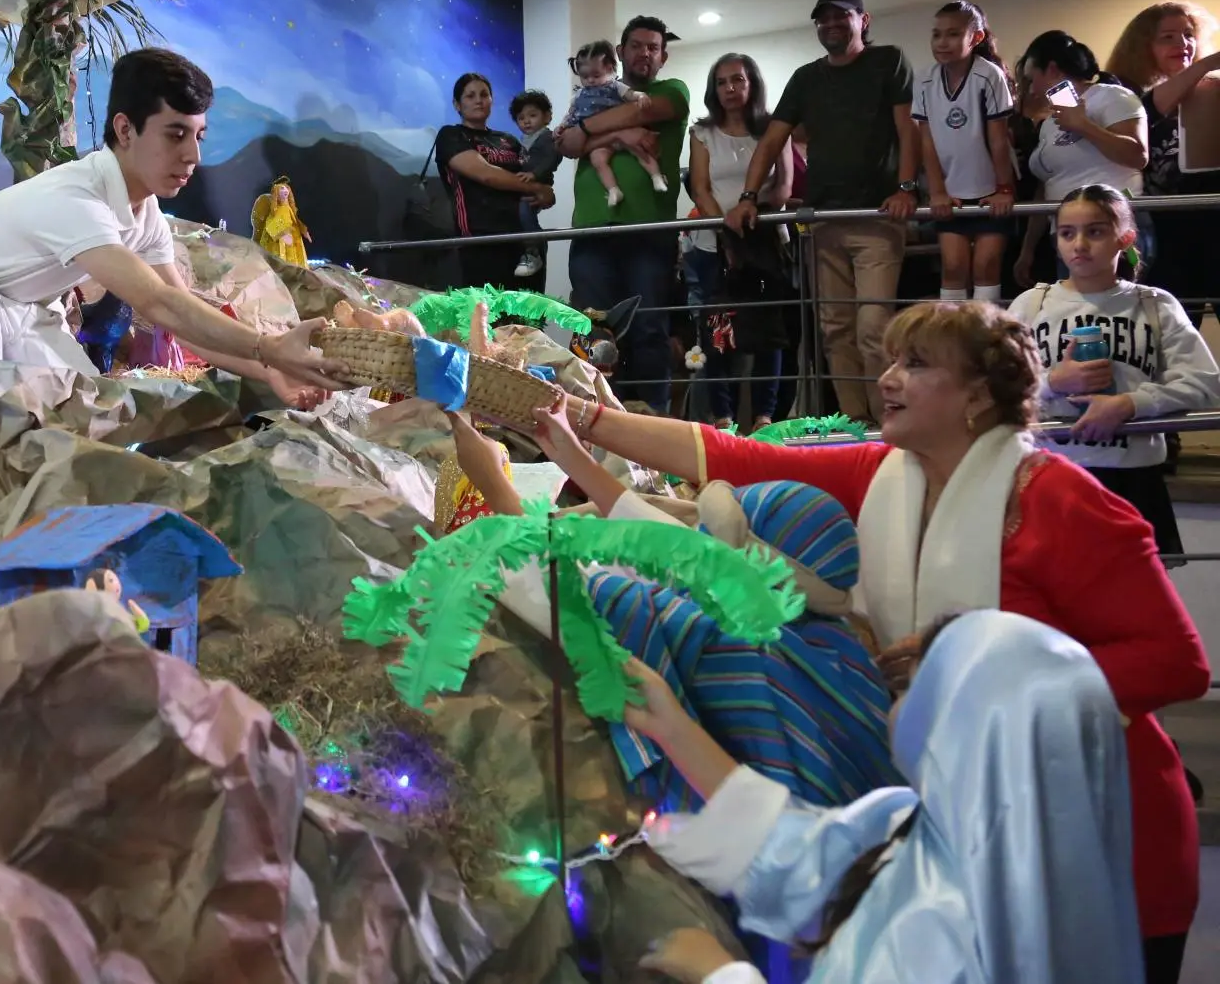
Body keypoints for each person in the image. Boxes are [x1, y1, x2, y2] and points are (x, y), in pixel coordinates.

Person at [536, 300, 1206, 972]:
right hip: (959, 827)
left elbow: (1176, 662)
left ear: (977, 393)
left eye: (915, 365)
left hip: (1104, 825)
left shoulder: (1063, 500)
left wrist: (968, 668)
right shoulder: (885, 475)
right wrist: (582, 420)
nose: (887, 378)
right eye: (889, 360)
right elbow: (725, 454)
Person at [630, 611, 1144, 984]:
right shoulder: (917, 824)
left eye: (909, 690)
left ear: (958, 730)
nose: (892, 704)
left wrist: (721, 973)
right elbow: (795, 848)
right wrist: (673, 729)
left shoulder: (942, 927)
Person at [453, 409, 894, 812]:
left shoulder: (720, 641)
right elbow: (666, 542)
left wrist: (491, 482)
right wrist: (570, 452)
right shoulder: (838, 641)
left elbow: (566, 589)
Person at [0, 48, 348, 403]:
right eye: (175, 134)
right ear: (126, 129)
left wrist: (273, 369)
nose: (193, 155)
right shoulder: (79, 195)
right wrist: (270, 347)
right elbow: (159, 302)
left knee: (82, 404)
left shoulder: (144, 212)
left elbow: (176, 314)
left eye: (199, 136)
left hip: (20, 313)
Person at [727, 0, 918, 424]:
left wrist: (907, 187)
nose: (830, 25)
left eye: (841, 17)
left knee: (874, 328)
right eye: (822, 19)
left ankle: (890, 422)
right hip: (823, 220)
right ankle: (856, 425)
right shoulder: (806, 76)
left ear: (863, 21)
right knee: (835, 329)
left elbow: (908, 129)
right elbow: (773, 138)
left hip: (877, 217)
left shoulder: (888, 60)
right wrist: (747, 196)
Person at [1009, 186, 1220, 563]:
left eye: (1096, 231)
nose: (1080, 244)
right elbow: (993, 387)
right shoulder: (1031, 304)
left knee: (1136, 608)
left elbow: (1204, 382)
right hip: (1050, 476)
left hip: (1133, 477)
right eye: (1067, 232)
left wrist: (1129, 404)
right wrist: (1053, 383)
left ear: (1125, 237)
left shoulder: (1154, 304)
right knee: (1054, 605)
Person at [552, 16, 691, 403]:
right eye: (637, 45)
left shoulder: (673, 90)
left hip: (649, 233)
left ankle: (652, 429)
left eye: (653, 47)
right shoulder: (589, 95)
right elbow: (567, 144)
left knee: (649, 330)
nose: (645, 53)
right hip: (593, 231)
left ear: (663, 56)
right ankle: (597, 423)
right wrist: (618, 133)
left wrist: (593, 128)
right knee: (593, 331)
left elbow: (640, 113)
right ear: (620, 52)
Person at [686, 54, 791, 431]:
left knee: (769, 332)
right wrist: (725, 227)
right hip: (714, 246)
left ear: (752, 84)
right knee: (717, 334)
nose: (730, 88)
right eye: (722, 82)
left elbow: (783, 187)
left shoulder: (774, 128)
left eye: (738, 80)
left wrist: (749, 216)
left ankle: (764, 417)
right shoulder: (702, 132)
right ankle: (724, 417)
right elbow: (700, 188)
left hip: (765, 243)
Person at [1108, 1, 1220, 318]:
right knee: (1176, 326)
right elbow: (1154, 107)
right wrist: (1208, 63)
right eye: (1167, 37)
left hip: (1214, 213)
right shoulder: (1129, 97)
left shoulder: (1211, 90)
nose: (1182, 44)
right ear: (1144, 47)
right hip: (1168, 226)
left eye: (1187, 35)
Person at [1011, 30, 1148, 288]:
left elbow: (1138, 155)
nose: (1032, 89)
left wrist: (1084, 126)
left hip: (1112, 226)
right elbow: (1046, 186)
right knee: (1080, 313)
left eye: (1033, 79)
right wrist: (1028, 249)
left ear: (1052, 70)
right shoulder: (1051, 122)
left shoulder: (1112, 96)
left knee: (1115, 309)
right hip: (1065, 233)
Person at [913, 1, 1015, 304]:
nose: (942, 42)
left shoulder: (989, 76)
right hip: (951, 190)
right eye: (937, 34)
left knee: (986, 267)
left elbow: (998, 140)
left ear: (976, 38)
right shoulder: (925, 79)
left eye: (953, 34)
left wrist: (1004, 189)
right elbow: (927, 142)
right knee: (954, 267)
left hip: (989, 188)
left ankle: (986, 337)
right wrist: (937, 191)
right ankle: (953, 341)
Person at [434, 72, 552, 289]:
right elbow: (485, 173)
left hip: (524, 245)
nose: (478, 100)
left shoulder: (509, 140)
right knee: (489, 319)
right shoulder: (451, 135)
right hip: (480, 243)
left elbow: (536, 174)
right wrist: (537, 188)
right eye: (470, 96)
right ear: (457, 104)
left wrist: (546, 192)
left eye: (484, 94)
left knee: (529, 320)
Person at [559, 40, 668, 209]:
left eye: (596, 75)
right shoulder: (579, 95)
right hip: (601, 140)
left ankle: (656, 176)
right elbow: (570, 115)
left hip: (620, 131)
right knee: (598, 160)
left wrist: (640, 96)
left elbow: (630, 94)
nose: (590, 81)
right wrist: (561, 126)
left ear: (610, 69)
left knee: (640, 150)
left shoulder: (615, 86)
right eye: (585, 77)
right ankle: (613, 190)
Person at [509, 89, 558, 279]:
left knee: (525, 211)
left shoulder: (547, 137)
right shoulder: (521, 140)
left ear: (547, 117)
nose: (527, 121)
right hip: (525, 183)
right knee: (522, 214)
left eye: (532, 115)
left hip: (538, 182)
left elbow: (551, 158)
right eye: (521, 118)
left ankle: (533, 250)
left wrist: (534, 174)